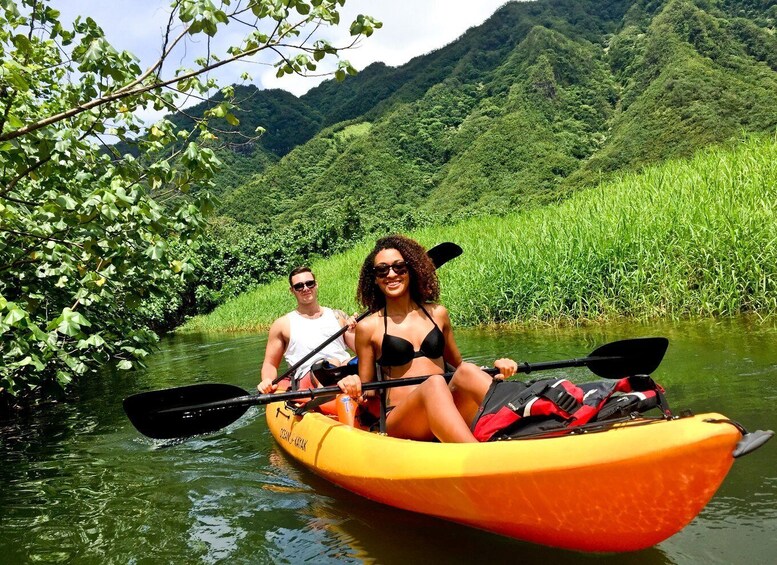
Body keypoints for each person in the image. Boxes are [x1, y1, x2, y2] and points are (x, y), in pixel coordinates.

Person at [336, 235, 517, 443]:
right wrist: (353, 383)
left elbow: (458, 368)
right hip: (402, 418)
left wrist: (496, 371)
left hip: (446, 406)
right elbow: (369, 392)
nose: (391, 274)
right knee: (434, 384)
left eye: (399, 267)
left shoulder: (438, 313)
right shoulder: (368, 326)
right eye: (382, 270)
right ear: (375, 279)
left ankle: (531, 423)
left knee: (467, 371)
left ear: (410, 271)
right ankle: (479, 457)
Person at [258, 266, 356, 394]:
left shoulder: (338, 316)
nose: (305, 288)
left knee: (354, 362)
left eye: (309, 284)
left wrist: (355, 330)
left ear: (316, 285)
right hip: (310, 377)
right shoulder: (282, 325)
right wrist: (267, 380)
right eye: (299, 286)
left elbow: (362, 350)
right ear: (292, 290)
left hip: (343, 370)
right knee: (327, 364)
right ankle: (331, 401)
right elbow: (270, 364)